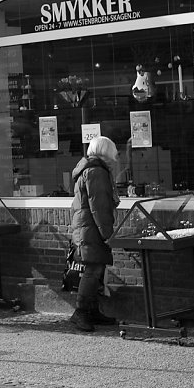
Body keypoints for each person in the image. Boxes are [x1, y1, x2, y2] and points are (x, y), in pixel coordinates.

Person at [69, 135, 121, 332]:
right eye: (113, 152)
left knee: (95, 269)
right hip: (91, 228)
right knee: (93, 270)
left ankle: (91, 310)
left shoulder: (90, 169)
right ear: (106, 152)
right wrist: (107, 233)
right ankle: (81, 313)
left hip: (87, 227)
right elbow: (98, 207)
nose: (115, 157)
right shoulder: (96, 172)